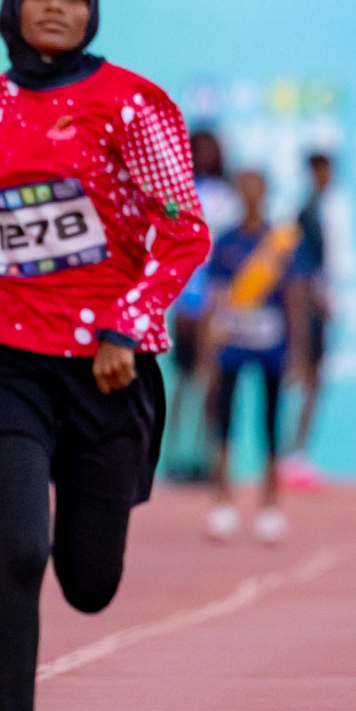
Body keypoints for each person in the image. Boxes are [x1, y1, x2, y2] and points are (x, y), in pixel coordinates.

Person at [0, 0, 209, 711]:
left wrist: (128, 326)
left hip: (105, 371)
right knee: (22, 545)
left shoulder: (132, 105)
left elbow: (184, 233)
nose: (55, 6)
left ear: (92, 12)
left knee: (89, 584)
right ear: (13, 7)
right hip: (6, 360)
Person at [203, 170, 304, 544]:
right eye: (243, 186)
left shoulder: (278, 243)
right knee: (224, 420)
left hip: (271, 344)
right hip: (232, 342)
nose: (249, 194)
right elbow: (215, 298)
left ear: (264, 192)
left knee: (270, 424)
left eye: (255, 186)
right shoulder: (227, 240)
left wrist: (297, 350)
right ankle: (222, 501)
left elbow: (294, 296)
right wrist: (207, 350)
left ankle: (271, 504)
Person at [163, 129, 240, 482]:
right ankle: (175, 455)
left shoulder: (228, 197)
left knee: (212, 381)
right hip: (186, 300)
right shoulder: (179, 192)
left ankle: (206, 457)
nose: (205, 155)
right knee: (183, 379)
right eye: (199, 149)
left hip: (217, 301)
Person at [281, 151, 333, 491]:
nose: (326, 176)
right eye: (321, 170)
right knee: (304, 378)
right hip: (308, 311)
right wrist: (314, 297)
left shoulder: (318, 210)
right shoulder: (306, 212)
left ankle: (295, 455)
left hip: (315, 308)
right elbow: (299, 264)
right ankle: (290, 456)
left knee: (311, 382)